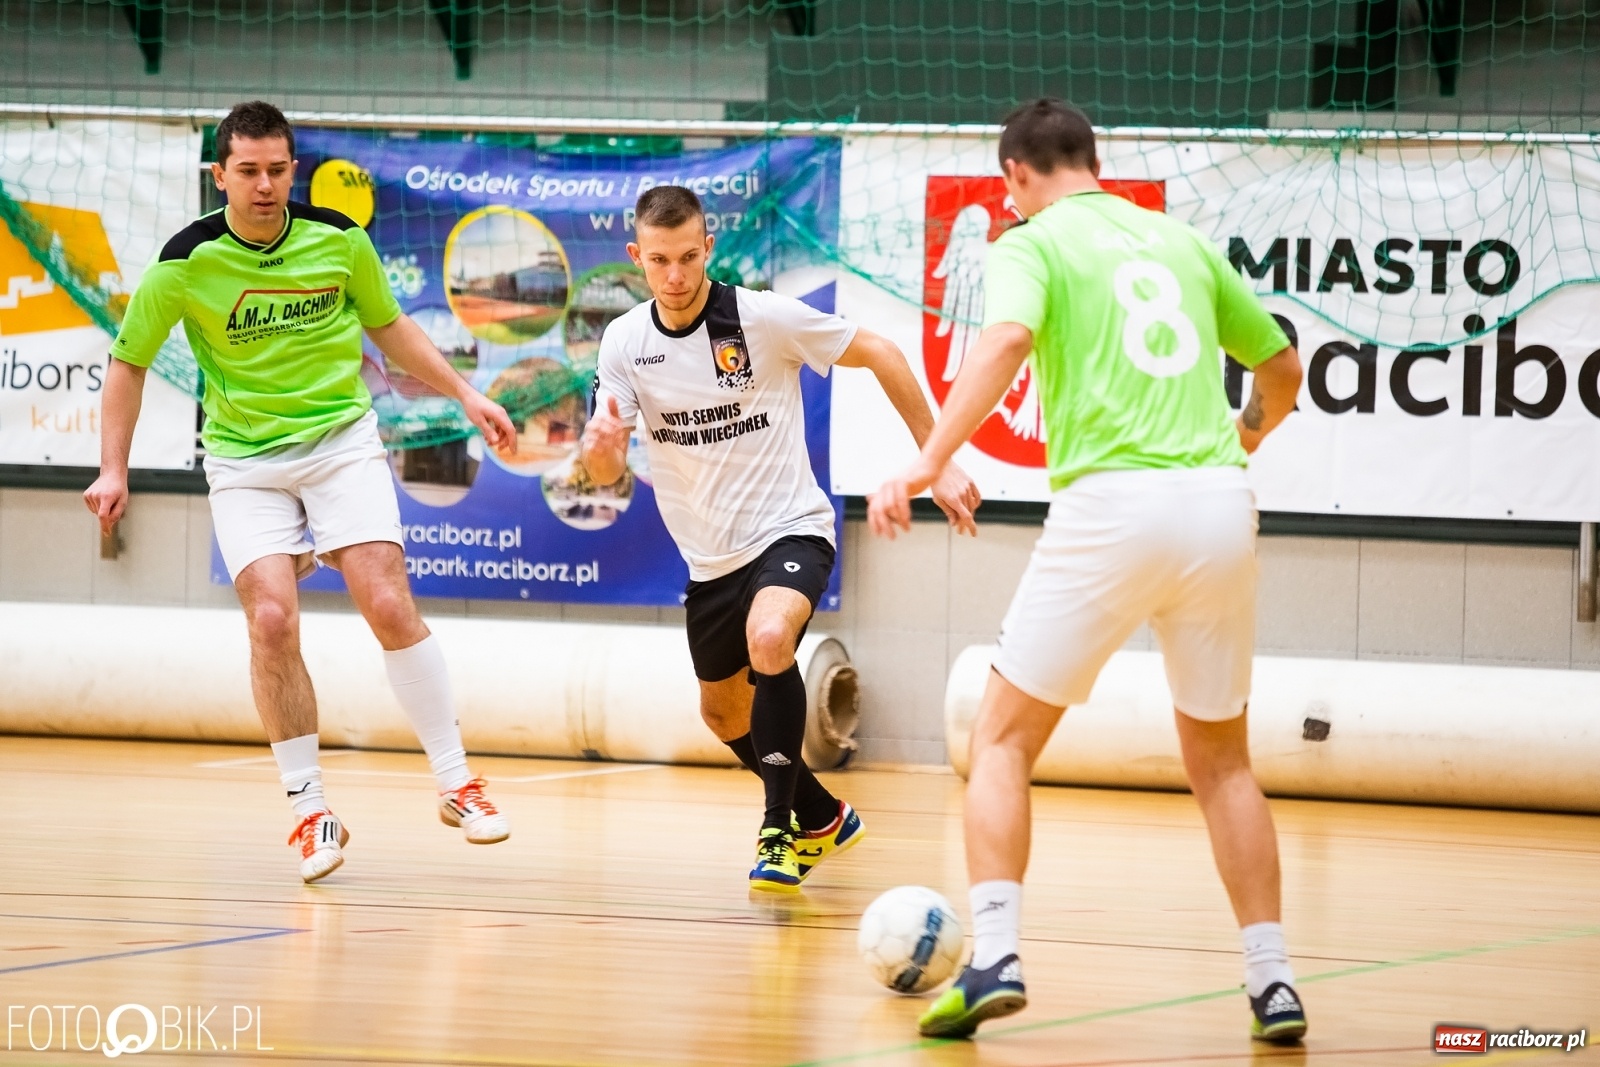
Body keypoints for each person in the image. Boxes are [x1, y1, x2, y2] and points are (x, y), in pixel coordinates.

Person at [868, 98, 1308, 1043]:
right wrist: (1241, 440)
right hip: (1221, 502)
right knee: (1225, 763)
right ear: (1092, 160)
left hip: (1114, 507)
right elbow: (1282, 371)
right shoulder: (1179, 241)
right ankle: (1273, 982)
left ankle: (994, 957)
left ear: (1015, 177)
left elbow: (1005, 342)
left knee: (1001, 741)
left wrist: (927, 457)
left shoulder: (1028, 242)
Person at [84, 100, 516, 884]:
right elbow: (128, 363)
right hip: (245, 459)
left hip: (340, 443)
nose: (264, 185)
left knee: (386, 599)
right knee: (273, 619)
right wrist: (113, 466)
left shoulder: (340, 241)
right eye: (247, 171)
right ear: (219, 175)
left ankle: (457, 783)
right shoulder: (185, 262)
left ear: (293, 169)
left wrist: (464, 395)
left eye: (277, 170)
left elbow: (391, 329)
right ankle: (310, 807)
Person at [581, 185, 981, 893]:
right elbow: (604, 468)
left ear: (710, 248)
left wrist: (936, 460)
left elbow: (884, 352)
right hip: (710, 561)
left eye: (687, 257)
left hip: (790, 528)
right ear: (635, 257)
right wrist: (604, 446)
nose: (675, 276)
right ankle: (822, 813)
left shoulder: (760, 319)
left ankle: (779, 834)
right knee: (722, 711)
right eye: (659, 261)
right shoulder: (624, 343)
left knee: (771, 638)